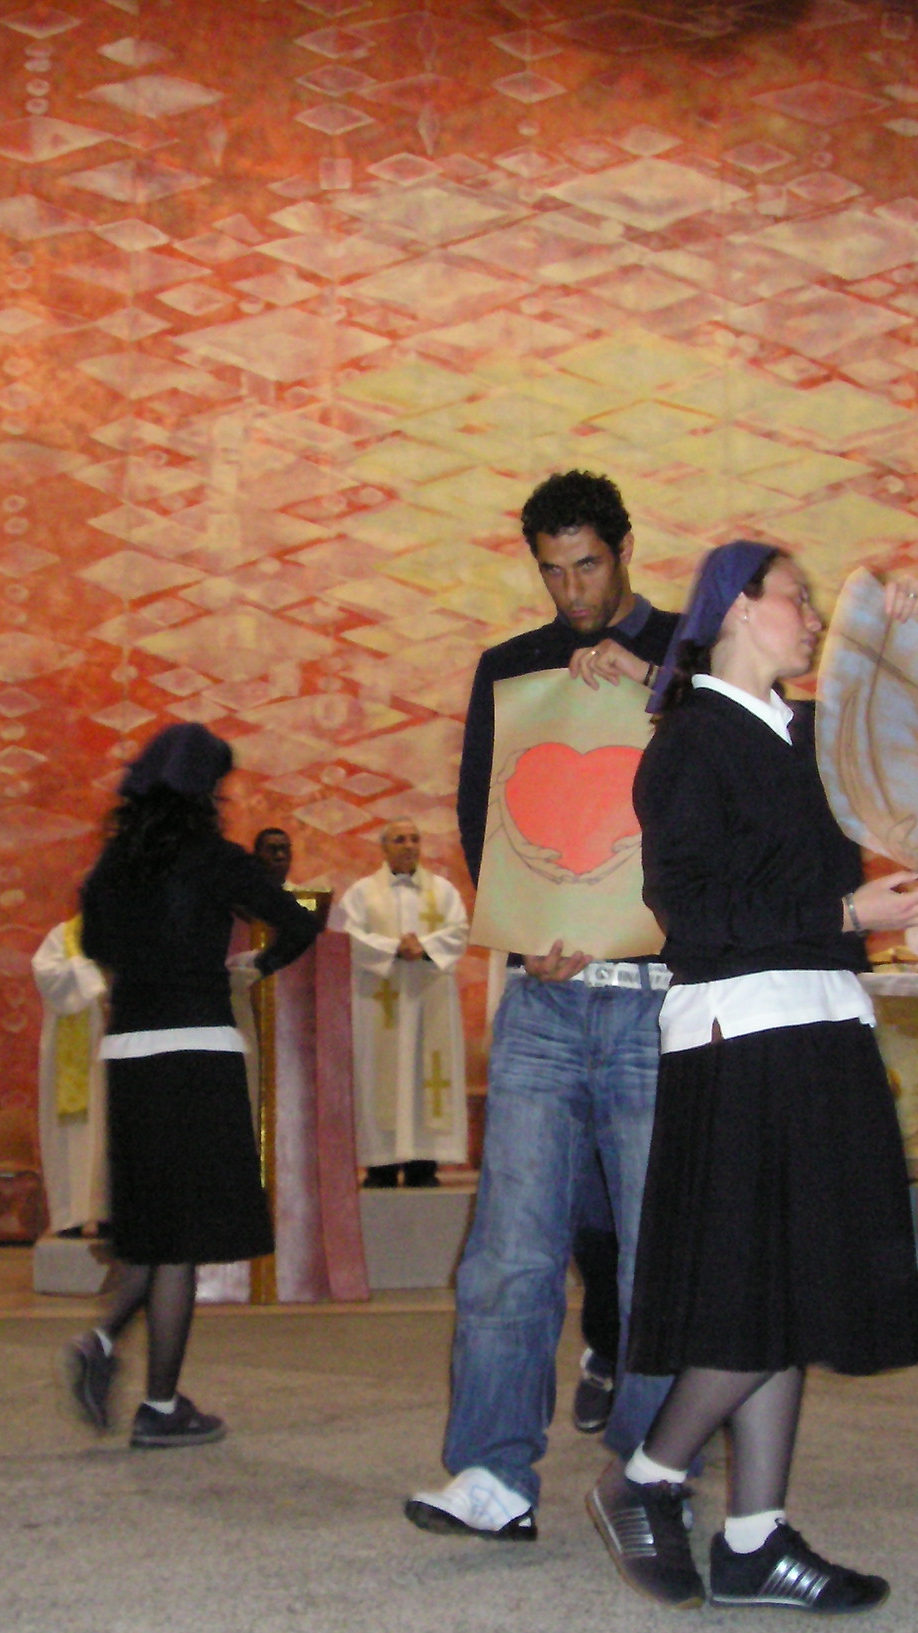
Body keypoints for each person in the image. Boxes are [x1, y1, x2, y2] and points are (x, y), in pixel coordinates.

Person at [599, 539, 918, 1613]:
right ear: (738, 609)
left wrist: (902, 633)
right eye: (799, 599)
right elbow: (693, 915)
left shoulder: (802, 733)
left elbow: (904, 726)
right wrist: (848, 911)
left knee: (791, 1288)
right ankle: (648, 1477)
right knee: (762, 1293)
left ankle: (752, 1537)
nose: (813, 618)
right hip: (741, 1038)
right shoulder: (687, 746)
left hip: (820, 1021)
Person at [405, 470, 676, 1541]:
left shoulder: (687, 657)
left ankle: (654, 1463)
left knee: (661, 1246)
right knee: (507, 1247)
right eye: (553, 572)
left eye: (588, 566)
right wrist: (527, 925)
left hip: (656, 999)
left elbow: (736, 775)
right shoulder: (509, 667)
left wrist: (661, 683)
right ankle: (491, 1471)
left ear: (623, 549)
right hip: (544, 1002)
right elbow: (485, 818)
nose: (572, 592)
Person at [61, 723, 321, 1448]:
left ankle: (106, 1346)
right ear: (207, 791)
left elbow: (96, 943)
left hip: (130, 1052)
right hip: (198, 1049)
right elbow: (299, 922)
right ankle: (157, 1403)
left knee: (151, 1227)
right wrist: (256, 966)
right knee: (180, 1241)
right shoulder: (216, 858)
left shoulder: (114, 864)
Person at [332, 817, 471, 1190]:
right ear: (384, 847)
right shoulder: (362, 893)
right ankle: (381, 1166)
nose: (409, 845)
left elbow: (459, 930)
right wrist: (393, 947)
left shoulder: (443, 891)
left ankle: (423, 1165)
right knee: (381, 1077)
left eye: (414, 838)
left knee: (426, 1075)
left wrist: (424, 947)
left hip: (429, 1000)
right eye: (399, 839)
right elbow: (345, 934)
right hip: (382, 1003)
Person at [30, 912, 109, 1236]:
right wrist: (91, 974)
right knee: (73, 1134)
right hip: (74, 1045)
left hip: (115, 1041)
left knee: (111, 1126)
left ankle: (110, 1213)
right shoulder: (65, 936)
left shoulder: (132, 930)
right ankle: (72, 1216)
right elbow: (47, 975)